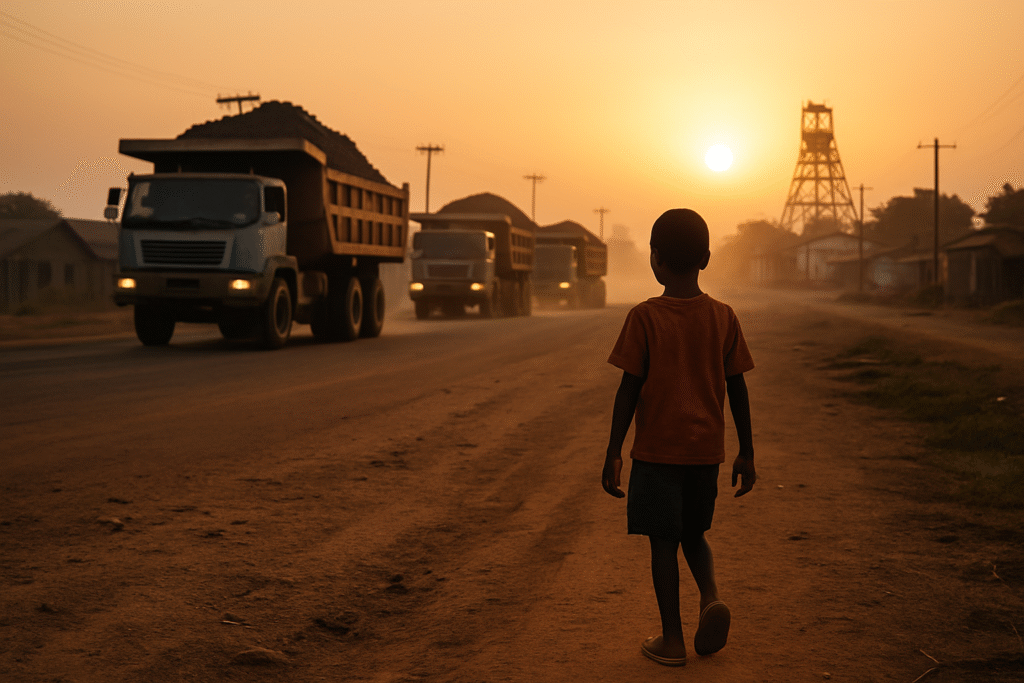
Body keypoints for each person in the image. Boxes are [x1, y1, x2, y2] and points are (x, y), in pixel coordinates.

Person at [601, 208, 756, 667]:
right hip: (705, 452)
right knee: (695, 533)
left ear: (655, 259)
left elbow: (628, 388)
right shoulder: (724, 317)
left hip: (656, 454)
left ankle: (672, 641)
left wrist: (613, 452)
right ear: (706, 258)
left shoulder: (645, 317)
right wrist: (746, 451)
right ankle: (710, 598)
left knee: (663, 543)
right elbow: (738, 387)